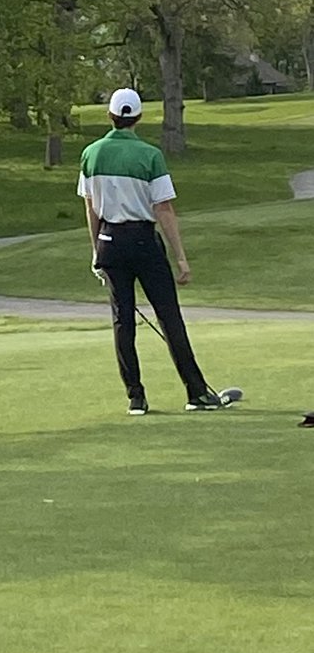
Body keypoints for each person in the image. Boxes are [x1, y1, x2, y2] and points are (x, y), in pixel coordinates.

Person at [77, 89, 223, 415]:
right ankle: (196, 393)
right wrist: (181, 257)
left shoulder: (91, 153)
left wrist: (96, 251)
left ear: (110, 116)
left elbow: (91, 207)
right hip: (143, 241)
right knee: (169, 315)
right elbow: (165, 209)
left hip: (109, 242)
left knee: (122, 320)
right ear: (138, 117)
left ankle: (136, 397)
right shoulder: (150, 155)